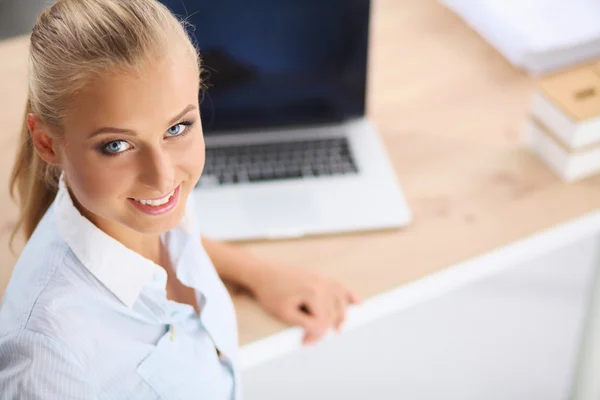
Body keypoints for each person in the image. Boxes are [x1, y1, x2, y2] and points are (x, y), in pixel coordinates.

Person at [0, 0, 361, 398]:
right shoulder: (48, 361)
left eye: (178, 126)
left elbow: (171, 238)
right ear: (47, 143)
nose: (163, 177)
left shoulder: (142, 214)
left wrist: (259, 273)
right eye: (116, 145)